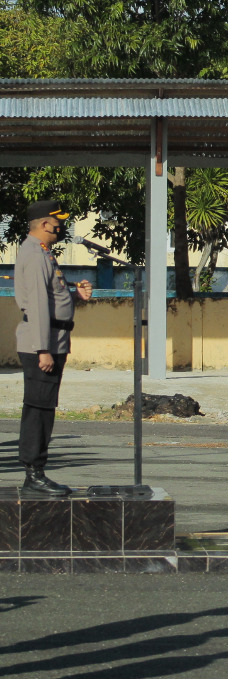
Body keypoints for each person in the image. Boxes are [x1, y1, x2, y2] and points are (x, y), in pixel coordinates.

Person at [15, 200, 93, 496]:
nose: (62, 227)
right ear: (46, 224)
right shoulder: (34, 254)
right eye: (58, 222)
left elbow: (52, 300)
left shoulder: (43, 253)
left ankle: (36, 471)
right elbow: (35, 304)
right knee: (38, 409)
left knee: (45, 408)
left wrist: (74, 296)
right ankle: (33, 473)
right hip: (42, 344)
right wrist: (41, 349)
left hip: (53, 340)